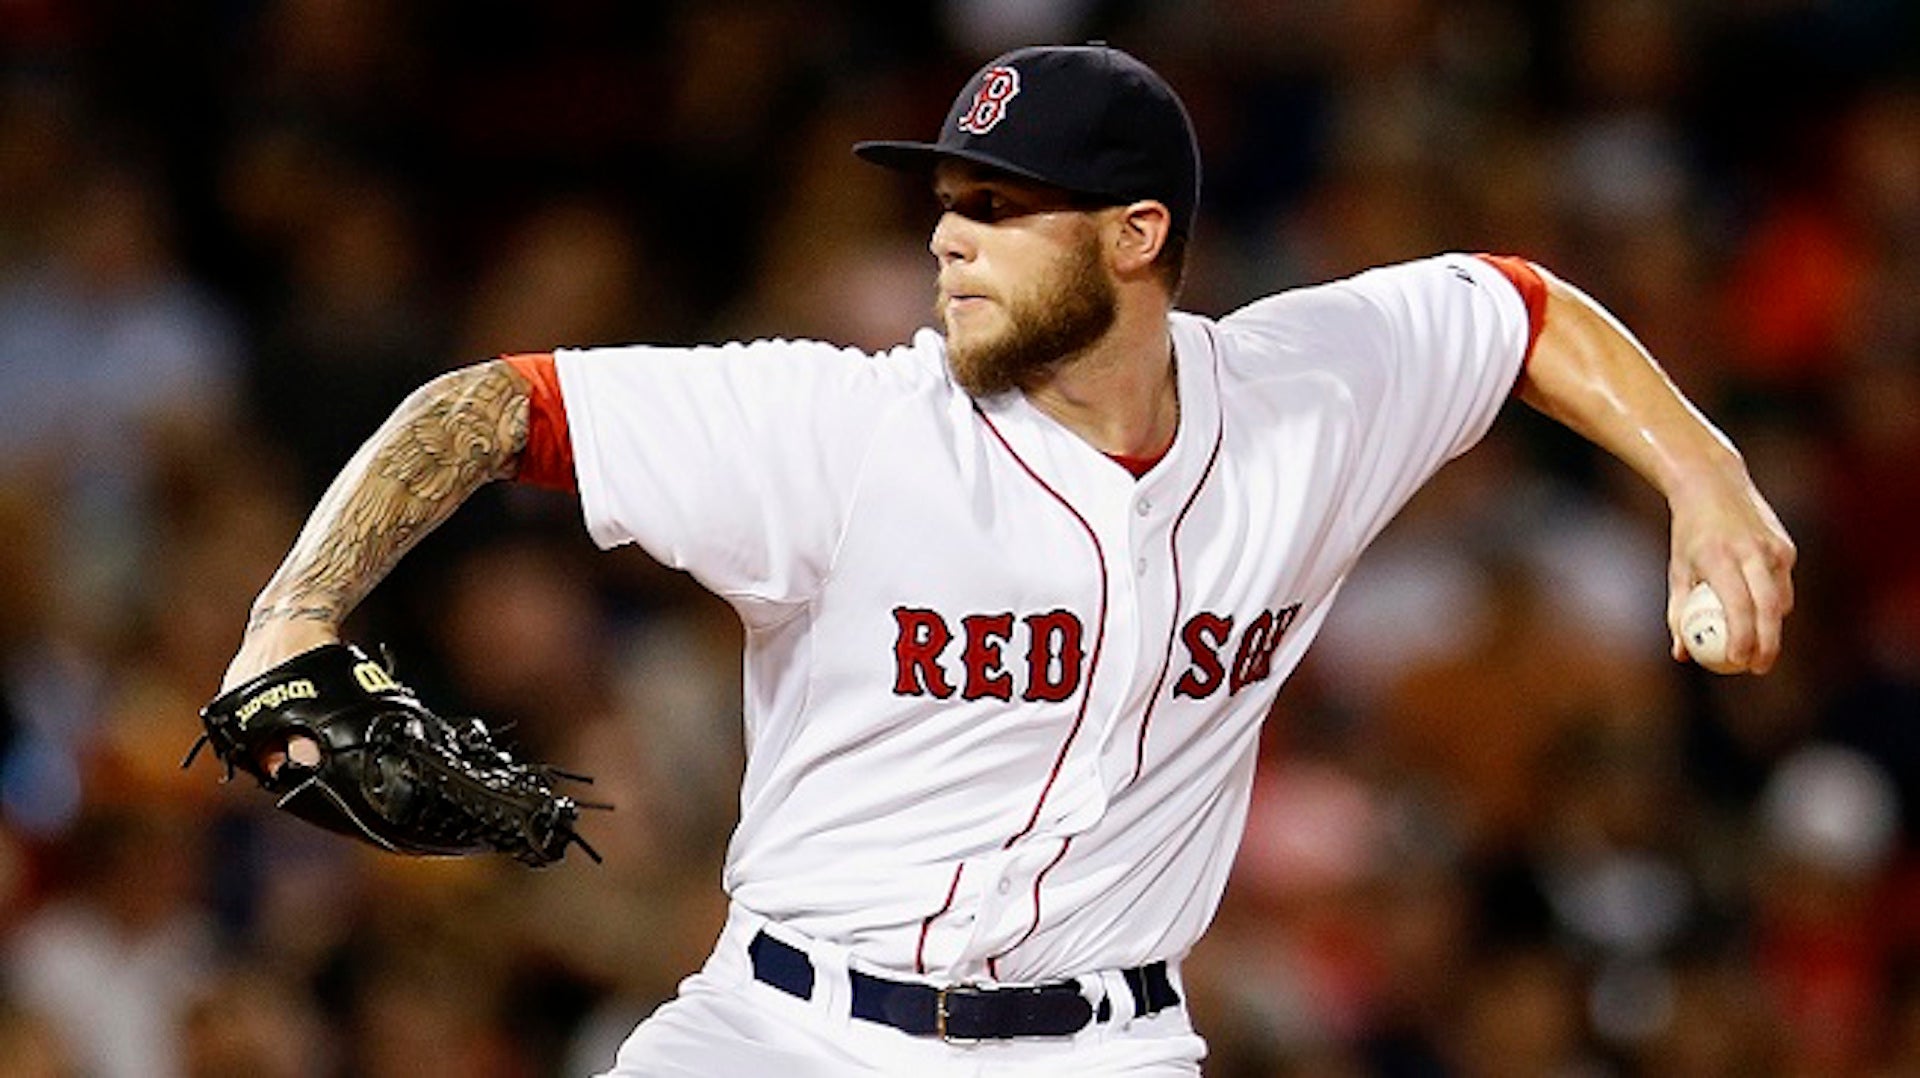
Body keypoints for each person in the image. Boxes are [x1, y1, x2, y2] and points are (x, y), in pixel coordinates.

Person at [216, 44, 1795, 1077]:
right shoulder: (844, 427)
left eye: (996, 205)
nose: (947, 238)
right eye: (945, 205)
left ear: (1135, 233)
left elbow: (1517, 308)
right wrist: (295, 608)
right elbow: (495, 404)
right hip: (783, 1030)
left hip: (1101, 1048)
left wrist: (1705, 475)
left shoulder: (1308, 398)